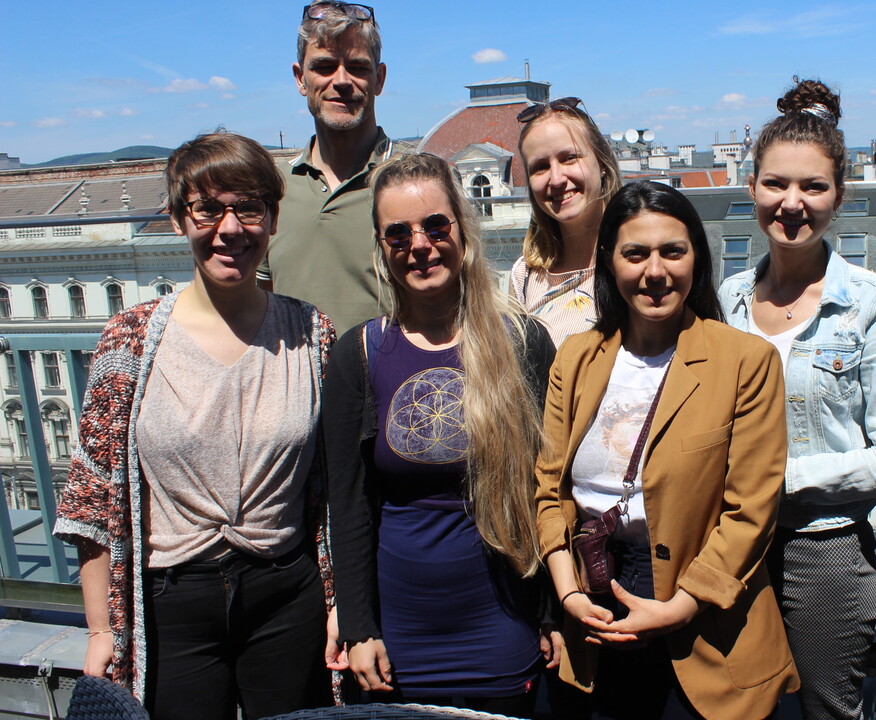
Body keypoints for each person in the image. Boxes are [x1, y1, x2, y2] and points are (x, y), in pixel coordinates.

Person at [55, 132, 337, 720]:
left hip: (287, 596)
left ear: (273, 219)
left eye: (249, 208)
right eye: (208, 209)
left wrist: (341, 604)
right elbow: (93, 495)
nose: (229, 229)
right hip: (172, 603)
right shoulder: (130, 340)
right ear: (178, 218)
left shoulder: (311, 334)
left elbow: (336, 490)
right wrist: (101, 630)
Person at [536, 181, 800, 719]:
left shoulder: (745, 362)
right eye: (635, 254)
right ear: (609, 262)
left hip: (704, 606)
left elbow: (751, 509)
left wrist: (681, 606)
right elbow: (548, 490)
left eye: (672, 252)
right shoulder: (576, 359)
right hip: (593, 594)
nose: (655, 271)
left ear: (696, 258)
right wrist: (568, 594)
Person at [322, 153, 557, 716]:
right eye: (398, 234)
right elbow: (349, 506)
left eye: (435, 226)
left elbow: (550, 489)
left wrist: (553, 610)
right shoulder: (359, 354)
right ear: (381, 247)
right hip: (398, 631)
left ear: (462, 230)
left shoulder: (523, 343)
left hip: (503, 618)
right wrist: (359, 627)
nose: (419, 245)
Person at [719, 78, 876, 720]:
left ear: (840, 194)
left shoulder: (873, 303)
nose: (792, 203)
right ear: (751, 186)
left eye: (813, 186)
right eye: (775, 184)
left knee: (826, 709)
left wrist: (778, 479)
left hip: (824, 548)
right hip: (731, 543)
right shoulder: (727, 300)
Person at [259, 0, 392, 334]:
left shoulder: (423, 181)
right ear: (300, 78)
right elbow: (257, 307)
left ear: (379, 79)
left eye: (357, 67)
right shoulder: (270, 190)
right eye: (324, 66)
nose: (342, 80)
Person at [512, 97, 623, 346]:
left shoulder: (639, 259)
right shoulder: (525, 276)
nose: (556, 179)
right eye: (540, 167)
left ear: (602, 162)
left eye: (569, 158)